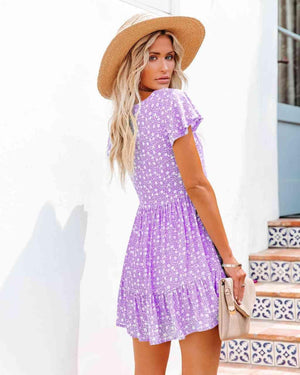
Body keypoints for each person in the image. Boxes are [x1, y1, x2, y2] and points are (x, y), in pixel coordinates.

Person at [97, 13, 247, 375]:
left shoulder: (127, 120)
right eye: (152, 57)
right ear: (134, 63)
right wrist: (230, 260)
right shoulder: (171, 103)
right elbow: (197, 187)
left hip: (144, 256)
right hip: (186, 250)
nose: (164, 67)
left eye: (169, 57)